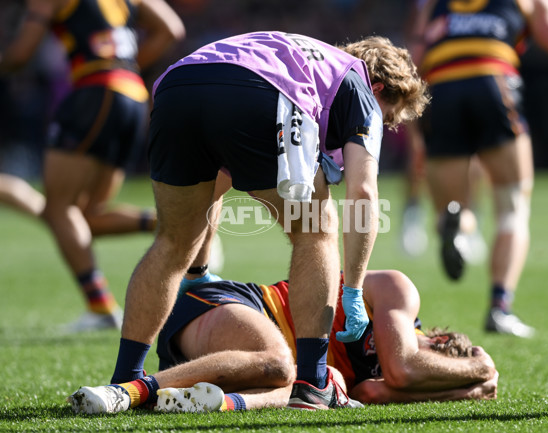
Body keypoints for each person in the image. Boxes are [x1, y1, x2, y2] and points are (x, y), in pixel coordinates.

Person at [87, 31, 429, 410]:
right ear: (379, 88)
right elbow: (363, 193)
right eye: (389, 118)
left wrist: (199, 271)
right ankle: (314, 383)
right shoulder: (359, 86)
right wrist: (353, 291)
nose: (387, 127)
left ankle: (126, 377)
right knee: (316, 230)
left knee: (170, 242)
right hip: (262, 91)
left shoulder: (304, 60)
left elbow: (217, 180)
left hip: (177, 86)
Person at [409, 0, 548, 337]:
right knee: (512, 208)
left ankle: (456, 223)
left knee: (449, 209)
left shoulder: (436, 3)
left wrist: (415, 127)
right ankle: (500, 307)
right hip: (493, 83)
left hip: (440, 90)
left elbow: (415, 59)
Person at [68, 268, 498, 414]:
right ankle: (128, 390)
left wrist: (461, 390)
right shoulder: (398, 293)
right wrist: (480, 371)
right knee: (283, 364)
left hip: (241, 365)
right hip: (229, 305)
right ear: (436, 338)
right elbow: (405, 370)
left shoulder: (382, 373)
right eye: (433, 360)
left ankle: (217, 401)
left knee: (324, 384)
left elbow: (373, 390)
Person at [0, 0, 185, 331]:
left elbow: (20, 54)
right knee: (86, 217)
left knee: (58, 209)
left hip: (94, 92)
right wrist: (127, 66)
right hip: (132, 93)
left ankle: (100, 309)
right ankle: (184, 226)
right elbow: (172, 29)